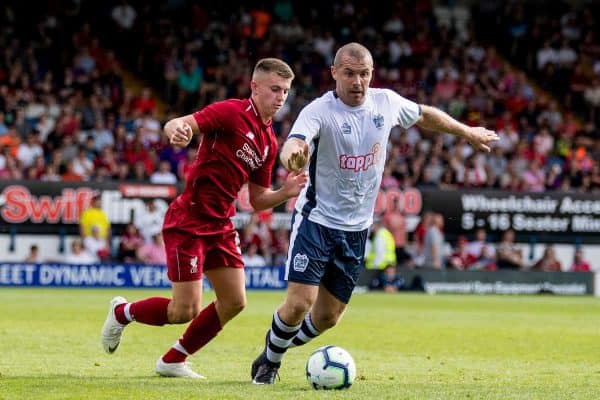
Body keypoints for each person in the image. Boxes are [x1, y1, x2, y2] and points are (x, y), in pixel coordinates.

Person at [250, 42, 499, 384]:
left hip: (357, 228)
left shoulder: (386, 102)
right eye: (350, 74)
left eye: (364, 74)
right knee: (298, 304)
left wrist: (467, 132)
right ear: (334, 73)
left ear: (372, 74)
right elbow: (295, 143)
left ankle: (271, 349)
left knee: (328, 317)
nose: (357, 82)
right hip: (317, 220)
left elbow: (425, 114)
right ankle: (269, 367)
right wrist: (293, 155)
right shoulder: (319, 110)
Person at [101, 58, 307, 379]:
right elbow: (179, 123)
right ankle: (122, 312)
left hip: (222, 225)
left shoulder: (268, 142)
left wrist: (287, 191)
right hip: (190, 220)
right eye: (274, 89)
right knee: (183, 310)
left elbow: (257, 200)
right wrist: (177, 131)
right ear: (255, 87)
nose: (281, 97)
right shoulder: (231, 112)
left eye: (285, 91)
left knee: (235, 301)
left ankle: (172, 360)